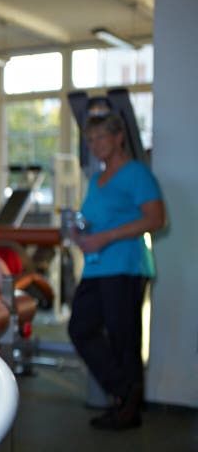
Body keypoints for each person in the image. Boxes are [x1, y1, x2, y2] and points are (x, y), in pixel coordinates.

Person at [68, 113, 166, 431]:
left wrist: (106, 237)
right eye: (91, 140)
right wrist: (81, 234)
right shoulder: (97, 180)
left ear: (118, 137)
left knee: (124, 338)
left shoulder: (136, 173)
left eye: (101, 138)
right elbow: (93, 219)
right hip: (97, 268)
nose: (95, 146)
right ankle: (125, 392)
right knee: (81, 327)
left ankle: (126, 407)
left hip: (125, 266)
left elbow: (155, 219)